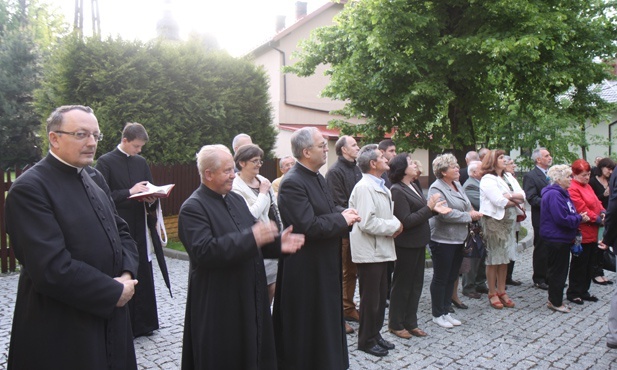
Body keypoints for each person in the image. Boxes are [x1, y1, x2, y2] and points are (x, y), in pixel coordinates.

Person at [5, 105, 139, 369]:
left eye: (96, 136)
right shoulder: (30, 189)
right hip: (63, 326)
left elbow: (122, 232)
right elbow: (50, 268)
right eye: (81, 134)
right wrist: (112, 291)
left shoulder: (94, 176)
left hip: (110, 315)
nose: (91, 143)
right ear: (54, 138)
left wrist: (126, 274)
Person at [178, 144, 304, 369]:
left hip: (249, 294)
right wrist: (253, 238)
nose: (233, 175)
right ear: (208, 174)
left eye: (232, 169)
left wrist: (277, 244)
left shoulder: (235, 199)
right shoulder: (193, 208)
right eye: (227, 170)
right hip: (221, 303)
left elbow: (255, 237)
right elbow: (204, 251)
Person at [273, 127, 361, 370]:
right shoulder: (293, 183)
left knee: (325, 319)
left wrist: (342, 212)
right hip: (306, 268)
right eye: (321, 145)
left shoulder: (316, 176)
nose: (325, 149)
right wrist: (341, 220)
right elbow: (308, 225)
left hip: (323, 263)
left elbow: (326, 208)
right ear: (305, 151)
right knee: (309, 323)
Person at [96, 122, 169, 337]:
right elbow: (101, 196)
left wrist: (150, 196)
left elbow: (149, 186)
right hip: (119, 225)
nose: (139, 151)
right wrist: (129, 192)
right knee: (124, 269)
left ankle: (145, 324)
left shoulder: (141, 162)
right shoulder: (105, 162)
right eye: (136, 146)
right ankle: (126, 325)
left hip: (140, 223)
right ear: (125, 141)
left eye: (141, 147)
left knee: (143, 271)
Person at [388, 154, 450, 339]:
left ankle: (411, 322)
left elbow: (421, 213)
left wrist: (433, 210)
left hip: (418, 242)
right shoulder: (397, 190)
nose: (415, 165)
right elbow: (406, 221)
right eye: (410, 163)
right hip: (406, 244)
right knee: (402, 285)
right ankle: (396, 323)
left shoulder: (413, 185)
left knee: (416, 285)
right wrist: (429, 209)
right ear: (401, 168)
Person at [348, 144, 402, 357]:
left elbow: (387, 214)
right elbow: (367, 222)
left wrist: (395, 223)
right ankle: (366, 341)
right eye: (382, 156)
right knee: (371, 300)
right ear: (372, 163)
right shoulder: (364, 188)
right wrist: (395, 227)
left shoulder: (380, 185)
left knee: (379, 299)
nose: (387, 158)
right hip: (370, 252)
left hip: (380, 249)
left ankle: (375, 334)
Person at [428, 153, 482, 328]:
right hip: (443, 239)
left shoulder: (457, 184)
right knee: (441, 277)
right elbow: (445, 214)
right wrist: (468, 216)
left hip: (459, 238)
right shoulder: (436, 188)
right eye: (454, 167)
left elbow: (466, 204)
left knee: (452, 276)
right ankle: (437, 313)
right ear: (443, 172)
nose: (458, 169)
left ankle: (446, 309)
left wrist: (472, 212)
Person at [232, 144, 282, 306]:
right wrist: (262, 193)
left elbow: (274, 210)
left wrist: (280, 230)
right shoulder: (235, 187)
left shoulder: (263, 181)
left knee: (272, 287)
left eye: (260, 161)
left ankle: (265, 320)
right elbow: (249, 215)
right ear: (242, 163)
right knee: (256, 289)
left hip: (268, 240)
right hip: (251, 242)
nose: (259, 165)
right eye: (254, 161)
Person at [325, 135, 362, 334]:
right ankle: (339, 313)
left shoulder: (357, 169)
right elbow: (335, 204)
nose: (358, 147)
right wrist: (355, 214)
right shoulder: (334, 172)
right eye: (354, 145)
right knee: (343, 273)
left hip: (358, 228)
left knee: (352, 271)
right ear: (344, 150)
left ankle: (349, 307)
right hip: (344, 230)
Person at [479, 150, 525, 310]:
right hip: (494, 222)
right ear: (492, 161)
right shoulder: (487, 179)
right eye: (500, 157)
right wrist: (512, 198)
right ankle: (492, 292)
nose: (504, 160)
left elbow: (523, 195)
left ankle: (502, 290)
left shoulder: (508, 176)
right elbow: (499, 201)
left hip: (509, 223)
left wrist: (508, 195)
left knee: (505, 257)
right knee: (494, 258)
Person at [541, 164, 589, 313]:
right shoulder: (554, 194)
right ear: (559, 179)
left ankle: (555, 299)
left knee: (560, 270)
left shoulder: (562, 193)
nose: (571, 179)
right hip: (556, 238)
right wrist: (579, 219)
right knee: (558, 271)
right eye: (568, 176)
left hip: (561, 238)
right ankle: (555, 301)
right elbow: (561, 218)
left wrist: (576, 217)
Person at [566, 159, 605, 305]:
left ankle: (584, 290)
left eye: (588, 174)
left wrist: (603, 212)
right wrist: (598, 219)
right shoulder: (573, 188)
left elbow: (597, 202)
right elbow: (581, 208)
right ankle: (574, 291)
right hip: (582, 232)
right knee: (579, 264)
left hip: (593, 232)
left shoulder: (587, 186)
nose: (587, 177)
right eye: (583, 175)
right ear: (575, 174)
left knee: (590, 263)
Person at [524, 147, 553, 290]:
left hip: (555, 218)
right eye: (546, 156)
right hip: (541, 217)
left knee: (552, 248)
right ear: (538, 159)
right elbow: (531, 198)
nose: (550, 157)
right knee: (541, 248)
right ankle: (539, 277)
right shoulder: (531, 176)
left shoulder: (552, 174)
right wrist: (550, 201)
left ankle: (550, 276)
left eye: (549, 155)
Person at [462, 161, 489, 299]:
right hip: (472, 228)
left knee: (481, 255)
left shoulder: (479, 183)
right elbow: (482, 203)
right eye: (481, 169)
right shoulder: (470, 186)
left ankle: (479, 283)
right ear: (473, 173)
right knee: (471, 258)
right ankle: (468, 287)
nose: (485, 171)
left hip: (479, 227)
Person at [589, 157, 616, 285]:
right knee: (597, 247)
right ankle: (595, 272)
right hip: (598, 217)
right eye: (608, 168)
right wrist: (604, 195)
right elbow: (592, 200)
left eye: (612, 169)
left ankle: (601, 271)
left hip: (609, 217)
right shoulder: (593, 181)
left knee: (604, 246)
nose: (610, 172)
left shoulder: (611, 180)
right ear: (601, 167)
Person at [504, 155, 523, 286]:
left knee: (513, 245)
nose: (514, 165)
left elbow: (522, 195)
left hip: (515, 217)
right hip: (505, 218)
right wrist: (514, 198)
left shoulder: (512, 178)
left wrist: (516, 197)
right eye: (511, 163)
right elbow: (504, 198)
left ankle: (508, 276)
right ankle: (502, 277)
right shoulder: (500, 179)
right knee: (505, 247)